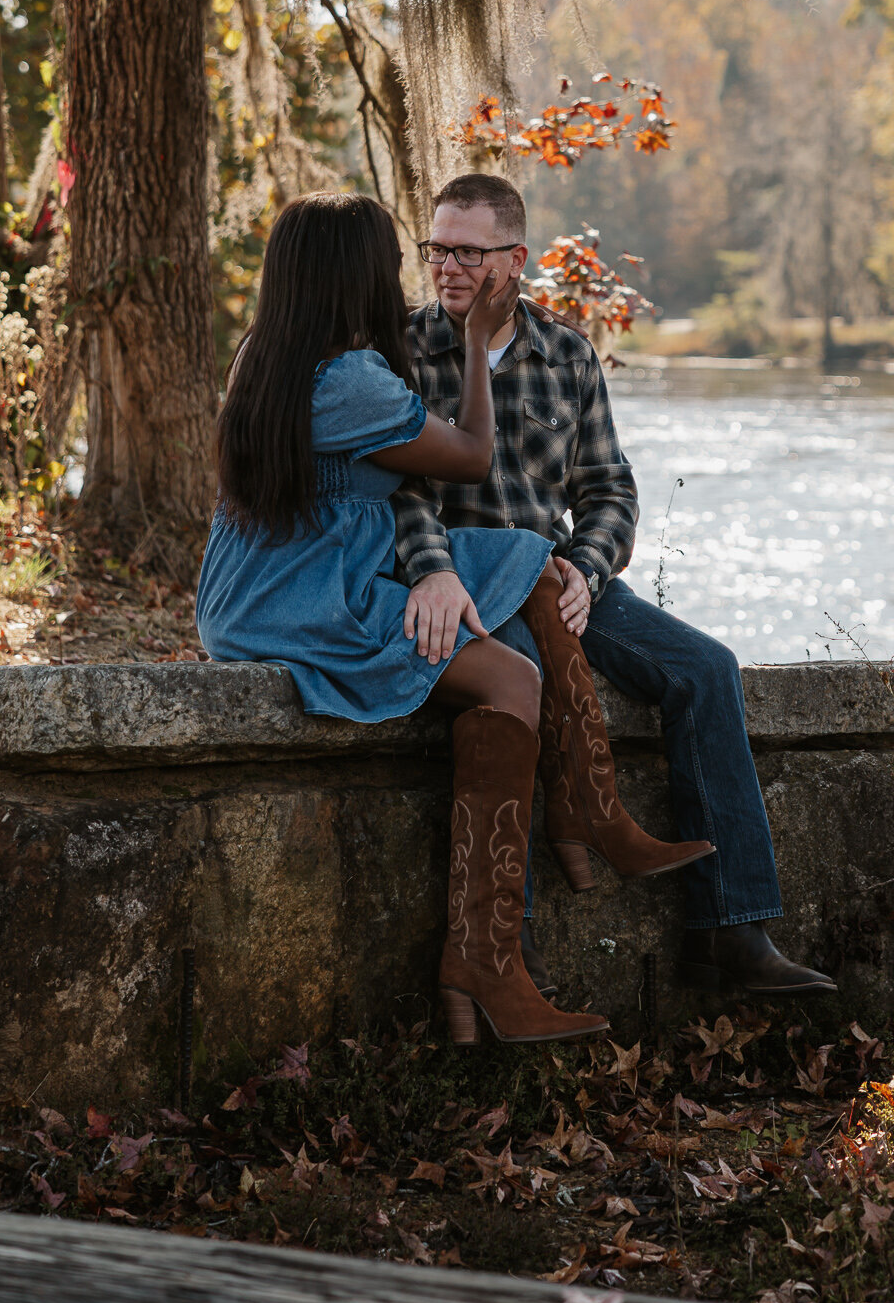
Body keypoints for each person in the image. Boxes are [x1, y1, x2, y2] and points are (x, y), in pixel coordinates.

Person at [195, 192, 706, 1047]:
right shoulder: (348, 380)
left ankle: (587, 808)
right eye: (402, 255)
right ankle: (486, 959)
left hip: (273, 580)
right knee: (510, 676)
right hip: (308, 598)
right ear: (354, 274)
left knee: (536, 565)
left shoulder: (269, 354)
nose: (420, 270)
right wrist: (474, 346)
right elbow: (471, 455)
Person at [394, 172, 837, 998]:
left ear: (515, 258)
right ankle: (506, 964)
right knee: (512, 697)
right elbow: (400, 492)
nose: (447, 266)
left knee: (706, 669)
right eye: (436, 248)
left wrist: (589, 575)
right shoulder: (402, 349)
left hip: (561, 575)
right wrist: (436, 571)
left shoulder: (564, 352)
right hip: (469, 590)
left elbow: (608, 491)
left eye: (467, 250)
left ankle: (733, 936)